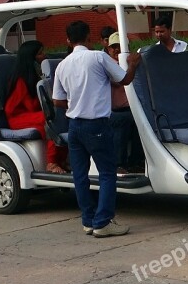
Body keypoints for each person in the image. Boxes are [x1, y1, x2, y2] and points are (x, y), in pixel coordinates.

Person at [52, 20, 141, 238]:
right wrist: (133, 64)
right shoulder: (98, 57)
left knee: (80, 176)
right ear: (89, 37)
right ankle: (103, 221)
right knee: (107, 173)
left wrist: (76, 103)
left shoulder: (63, 64)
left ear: (67, 40)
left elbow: (57, 100)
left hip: (74, 125)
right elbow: (125, 80)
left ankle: (88, 220)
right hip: (97, 124)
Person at [4, 40, 68, 174]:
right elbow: (31, 106)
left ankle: (62, 159)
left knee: (61, 116)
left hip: (31, 114)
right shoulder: (21, 80)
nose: (44, 55)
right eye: (40, 53)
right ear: (30, 57)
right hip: (17, 117)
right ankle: (51, 162)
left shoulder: (36, 74)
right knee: (50, 119)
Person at [106, 32, 145, 173]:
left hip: (133, 109)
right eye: (114, 47)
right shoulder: (108, 65)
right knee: (121, 121)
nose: (117, 49)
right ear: (108, 49)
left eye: (120, 46)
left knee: (142, 123)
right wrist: (132, 66)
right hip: (116, 111)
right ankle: (118, 165)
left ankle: (137, 162)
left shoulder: (130, 63)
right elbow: (120, 81)